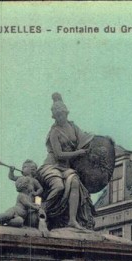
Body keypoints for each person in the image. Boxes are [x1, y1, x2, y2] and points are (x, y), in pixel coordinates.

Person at [37, 93, 95, 230]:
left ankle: (72, 220)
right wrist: (77, 153)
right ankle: (42, 209)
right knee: (59, 187)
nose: (60, 118)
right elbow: (58, 154)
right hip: (51, 166)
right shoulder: (54, 132)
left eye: (61, 114)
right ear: (54, 117)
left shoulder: (73, 127)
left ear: (66, 113)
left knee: (74, 181)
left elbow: (85, 140)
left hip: (66, 167)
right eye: (57, 116)